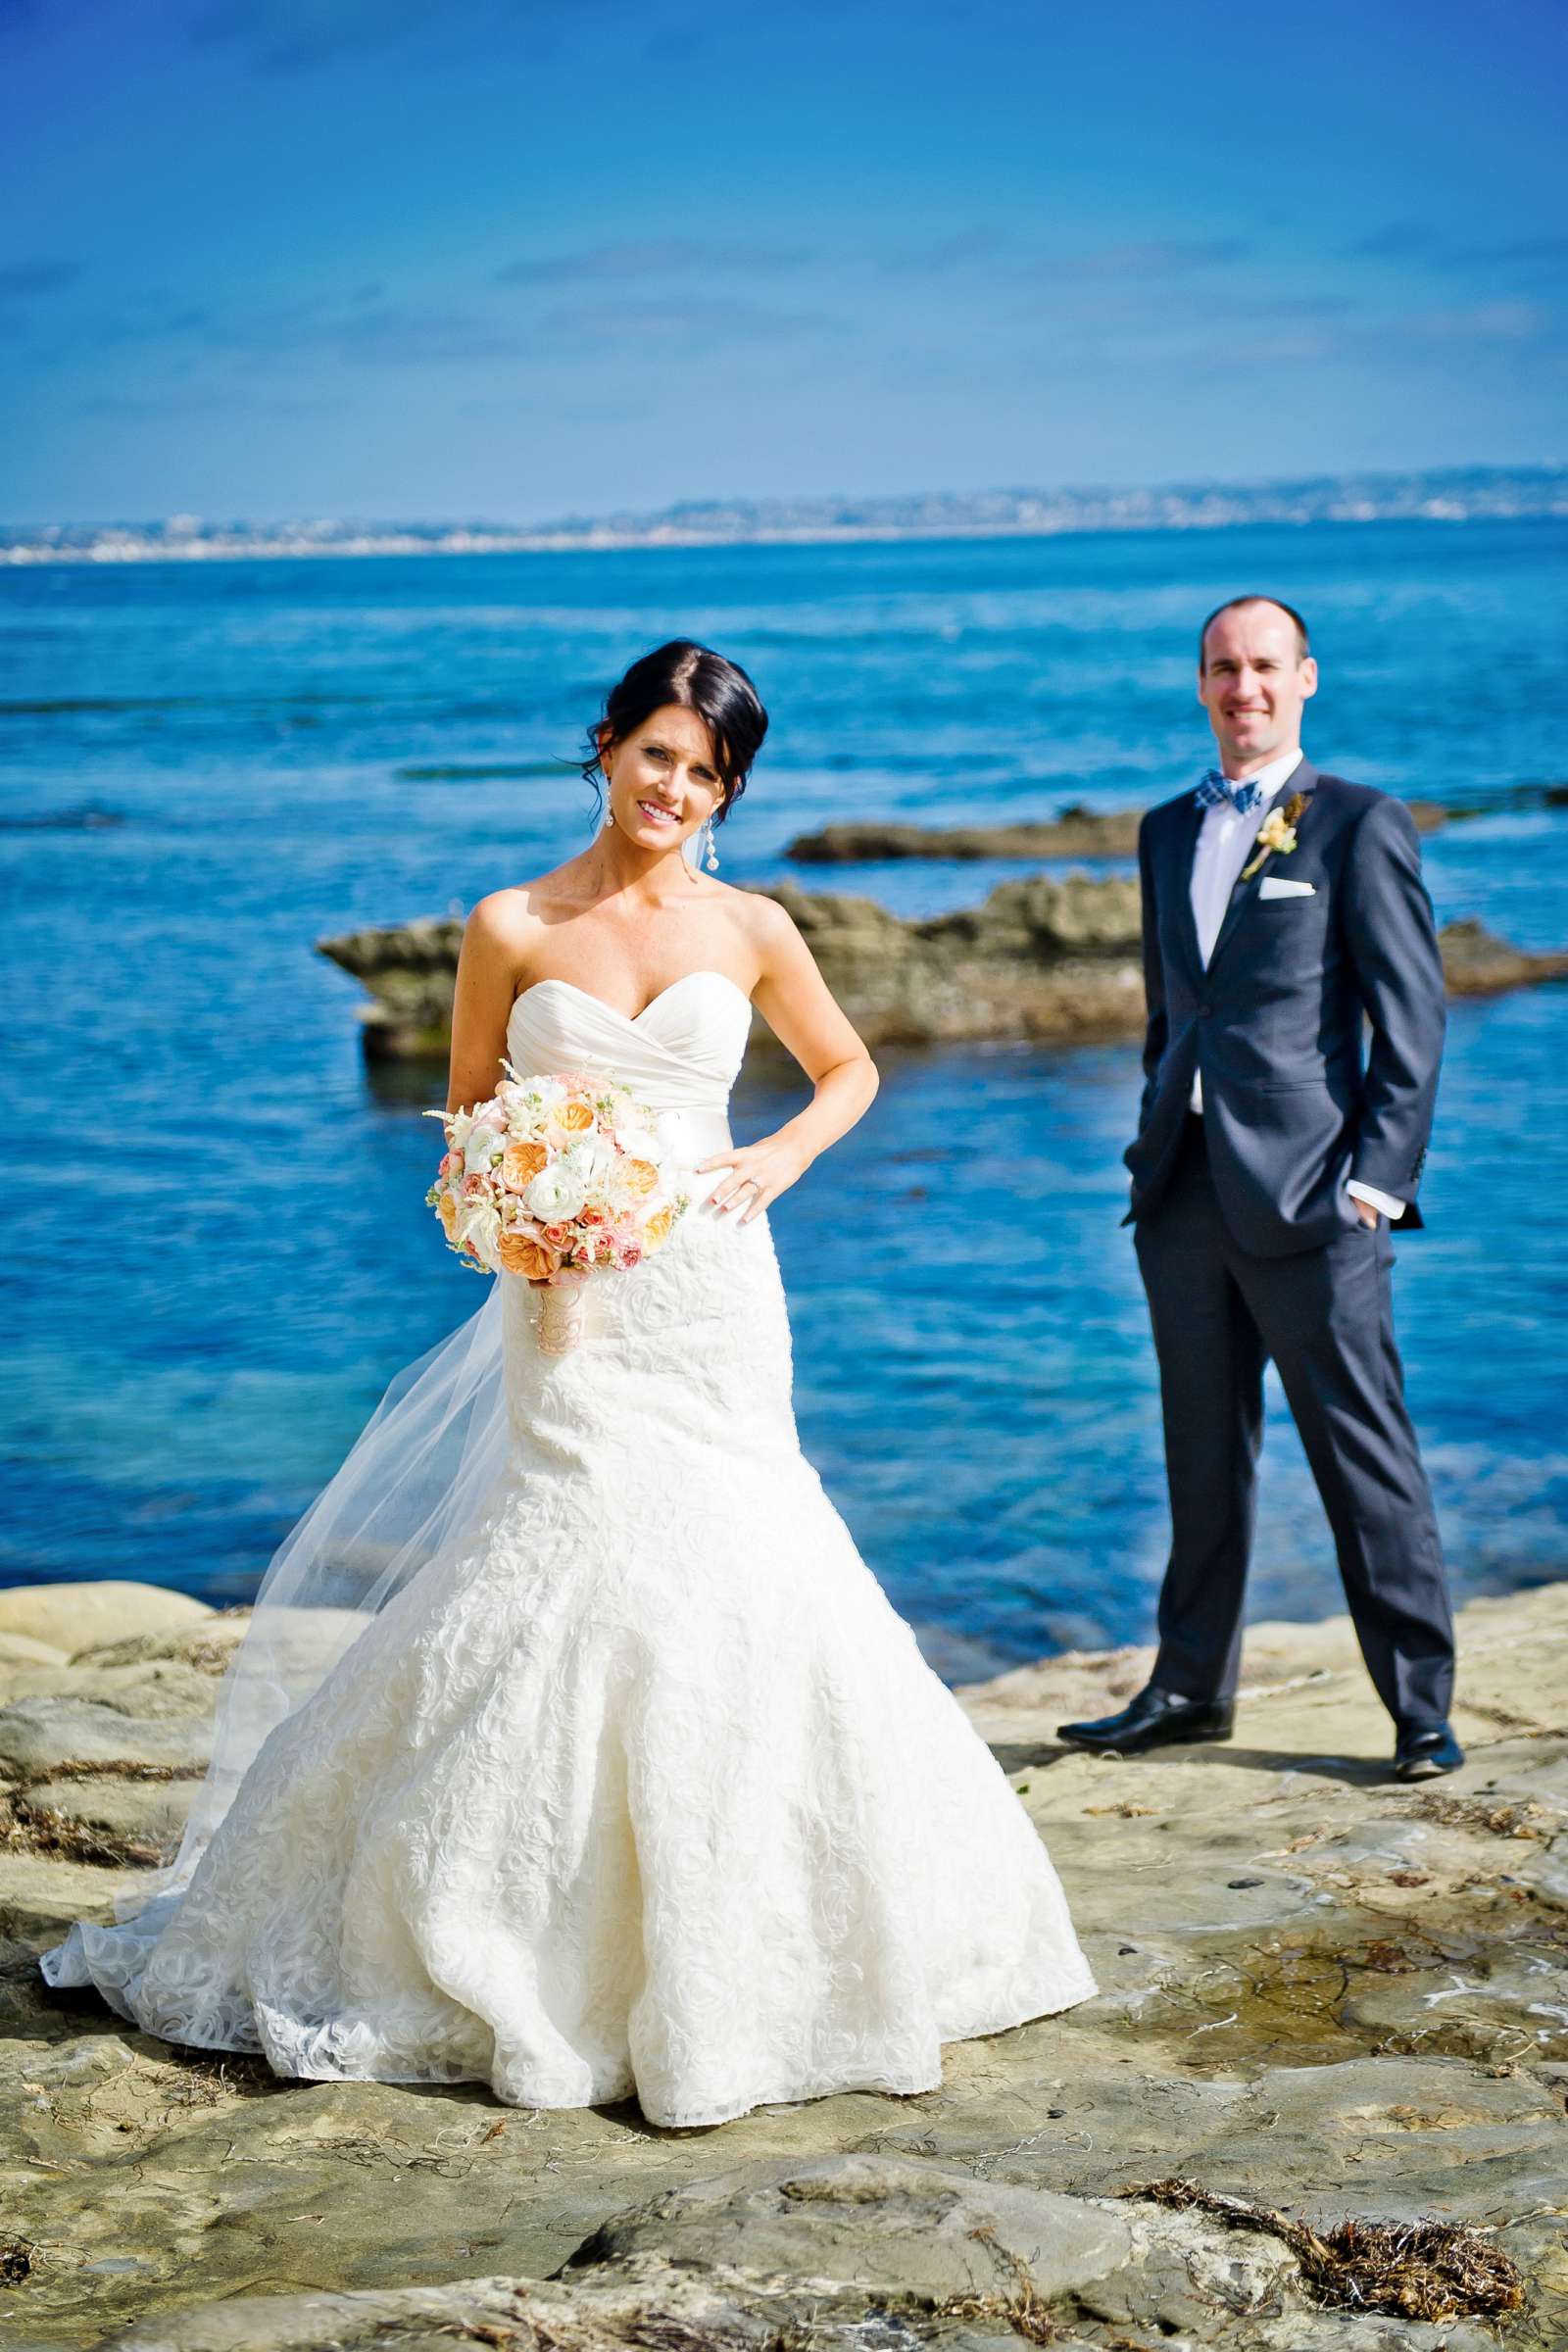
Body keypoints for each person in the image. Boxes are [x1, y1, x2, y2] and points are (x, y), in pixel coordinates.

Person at [42, 639, 1095, 2129]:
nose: (677, 787)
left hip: (718, 1292)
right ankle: (530, 1939)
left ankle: (757, 1943)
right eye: (659, 753)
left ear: (729, 791)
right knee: (566, 1562)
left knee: (745, 1567)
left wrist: (775, 1158)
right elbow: (467, 1115)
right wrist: (521, 1221)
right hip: (566, 1305)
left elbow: (846, 1070)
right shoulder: (509, 922)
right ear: (606, 748)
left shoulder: (753, 925)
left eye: (708, 770)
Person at [1058, 597, 1460, 1782]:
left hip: (1314, 1198)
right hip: (1182, 1192)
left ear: (1305, 680)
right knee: (1199, 1451)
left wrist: (1377, 1185)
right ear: (1200, 685)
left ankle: (1420, 1711)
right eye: (1224, 669)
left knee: (1361, 1458)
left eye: (1266, 667)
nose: (1246, 688)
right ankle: (1188, 1687)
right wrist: (1150, 1149)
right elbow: (1170, 1009)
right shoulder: (1161, 830)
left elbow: (1411, 1021)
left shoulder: (1357, 826)